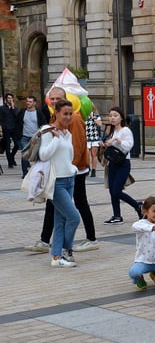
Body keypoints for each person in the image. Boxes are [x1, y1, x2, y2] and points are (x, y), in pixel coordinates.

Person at [24, 87, 99, 254]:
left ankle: (88, 239)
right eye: (52, 99)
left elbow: (77, 147)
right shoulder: (52, 122)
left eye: (58, 98)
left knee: (78, 206)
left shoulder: (75, 120)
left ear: (66, 98)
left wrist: (71, 167)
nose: (55, 101)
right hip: (59, 176)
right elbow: (46, 152)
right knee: (57, 210)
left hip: (75, 171)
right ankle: (52, 247)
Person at [38, 99, 80, 268]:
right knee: (74, 217)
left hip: (69, 179)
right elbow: (43, 155)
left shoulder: (67, 133)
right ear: (56, 113)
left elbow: (67, 157)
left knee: (60, 220)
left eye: (70, 114)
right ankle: (66, 248)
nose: (68, 117)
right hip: (56, 182)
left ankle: (56, 257)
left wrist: (73, 169)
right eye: (65, 114)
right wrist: (55, 138)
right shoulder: (47, 131)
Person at [101, 106, 142, 224]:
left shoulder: (125, 130)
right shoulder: (113, 131)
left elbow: (129, 146)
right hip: (112, 163)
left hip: (123, 163)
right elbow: (112, 148)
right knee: (112, 191)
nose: (112, 118)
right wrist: (105, 144)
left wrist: (119, 141)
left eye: (115, 115)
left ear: (121, 117)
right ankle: (117, 216)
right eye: (110, 116)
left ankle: (137, 205)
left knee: (116, 191)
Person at [16, 95, 47, 177]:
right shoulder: (23, 112)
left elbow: (44, 123)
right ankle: (25, 173)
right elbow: (17, 122)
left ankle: (39, 171)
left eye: (30, 101)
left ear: (34, 103)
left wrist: (41, 133)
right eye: (27, 101)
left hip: (36, 137)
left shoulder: (38, 112)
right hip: (25, 136)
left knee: (38, 155)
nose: (28, 103)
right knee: (25, 154)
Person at [1, 93, 20, 168]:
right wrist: (3, 126)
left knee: (17, 145)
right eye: (9, 98)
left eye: (11, 98)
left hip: (14, 129)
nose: (10, 99)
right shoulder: (2, 108)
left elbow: (17, 117)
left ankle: (12, 156)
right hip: (6, 129)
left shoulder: (15, 108)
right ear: (6, 99)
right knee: (8, 146)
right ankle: (10, 162)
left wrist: (13, 107)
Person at [86, 109, 102, 177]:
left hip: (94, 137)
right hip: (86, 137)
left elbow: (100, 124)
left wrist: (93, 118)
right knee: (86, 155)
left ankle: (93, 170)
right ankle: (87, 168)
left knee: (94, 154)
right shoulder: (83, 115)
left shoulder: (96, 115)